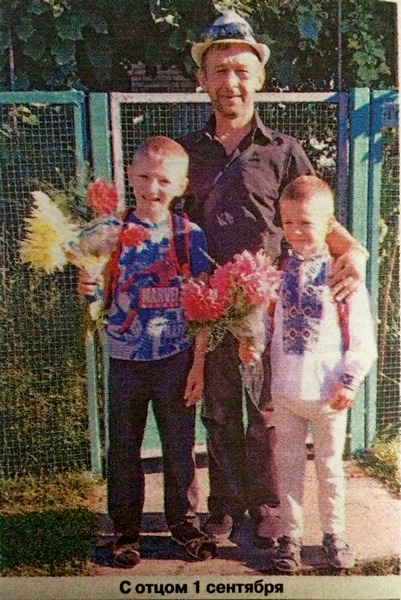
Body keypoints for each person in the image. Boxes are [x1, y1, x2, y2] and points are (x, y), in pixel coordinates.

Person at [178, 10, 369, 547]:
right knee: (218, 411)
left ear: (259, 77)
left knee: (268, 413)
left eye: (241, 70)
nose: (231, 82)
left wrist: (356, 252)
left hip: (275, 312)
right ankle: (223, 506)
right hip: (211, 310)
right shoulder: (187, 153)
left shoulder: (283, 151)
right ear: (203, 79)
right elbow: (161, 226)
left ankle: (267, 506)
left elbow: (319, 219)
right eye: (219, 70)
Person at [78, 136, 216, 567]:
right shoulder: (108, 231)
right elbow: (94, 290)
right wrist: (86, 286)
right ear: (130, 176)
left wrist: (198, 364)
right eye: (143, 177)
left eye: (163, 180)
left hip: (176, 359)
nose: (152, 188)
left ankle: (185, 526)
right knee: (124, 449)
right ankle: (125, 532)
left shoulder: (189, 235)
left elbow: (203, 308)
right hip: (125, 359)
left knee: (179, 448)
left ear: (181, 185)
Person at [257, 175, 376, 571]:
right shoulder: (277, 272)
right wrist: (251, 340)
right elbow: (266, 324)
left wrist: (350, 380)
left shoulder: (342, 274)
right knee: (288, 470)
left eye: (305, 223)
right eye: (287, 222)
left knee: (329, 469)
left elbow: (362, 337)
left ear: (328, 225)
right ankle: (289, 537)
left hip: (329, 394)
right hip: (286, 392)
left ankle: (334, 534)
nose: (295, 232)